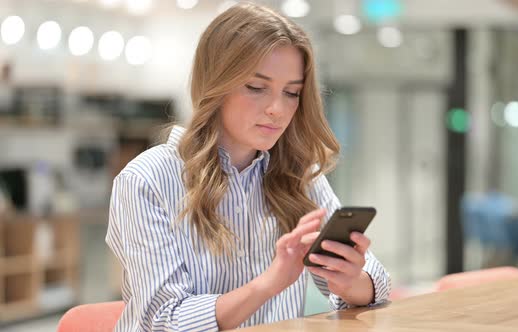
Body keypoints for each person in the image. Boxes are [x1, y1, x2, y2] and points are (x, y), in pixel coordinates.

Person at [106, 2, 391, 331]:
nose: (277, 109)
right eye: (256, 88)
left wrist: (350, 281)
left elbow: (377, 283)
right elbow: (166, 320)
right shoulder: (147, 180)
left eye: (291, 93)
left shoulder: (297, 174)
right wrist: (269, 283)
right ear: (215, 84)